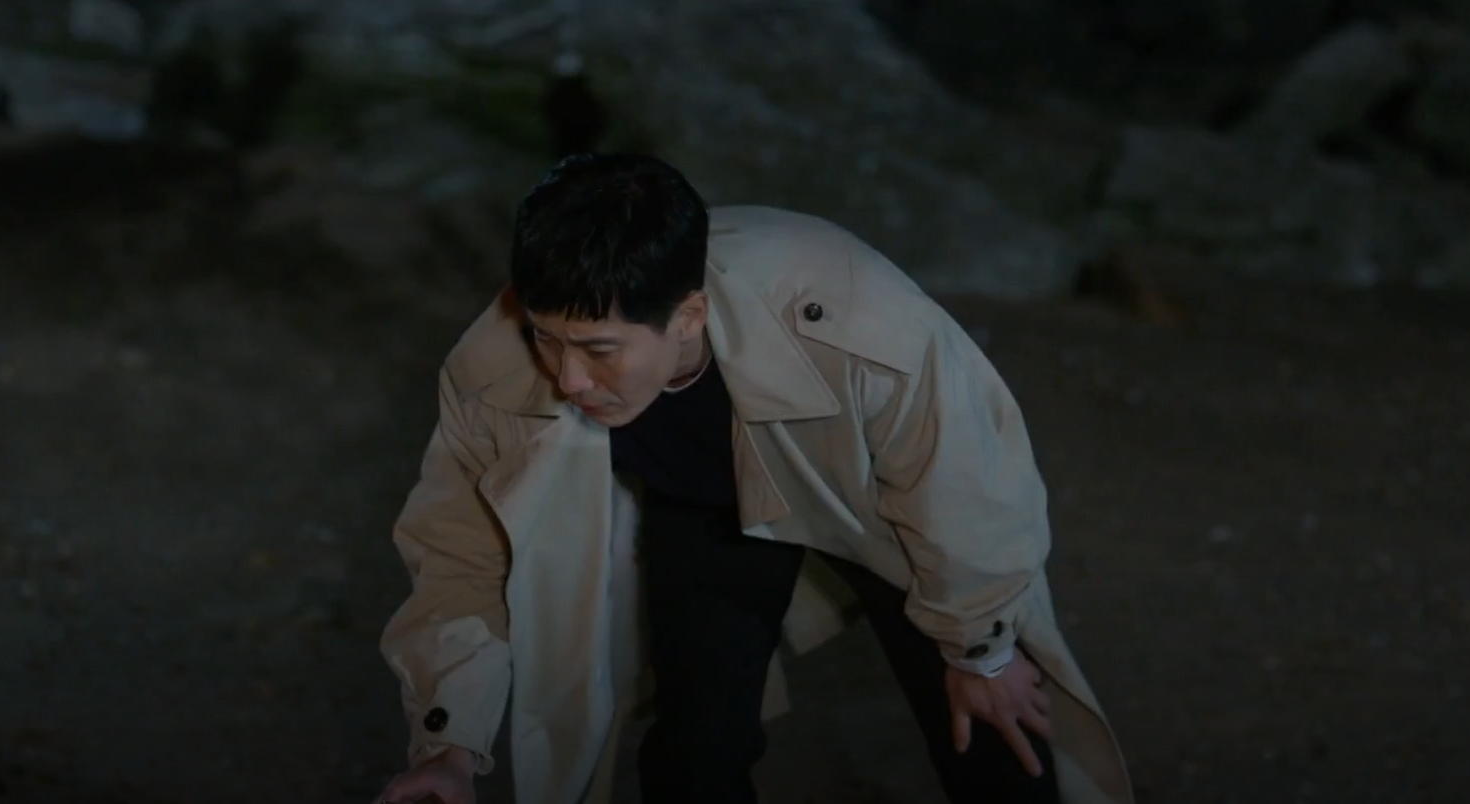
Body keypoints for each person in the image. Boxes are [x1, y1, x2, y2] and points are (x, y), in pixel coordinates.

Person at [372, 153, 1134, 804]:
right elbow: (460, 555)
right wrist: (448, 746)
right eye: (547, 338)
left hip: (877, 503)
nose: (568, 379)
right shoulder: (494, 374)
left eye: (600, 350)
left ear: (687, 317)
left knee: (991, 722)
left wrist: (981, 652)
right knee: (693, 753)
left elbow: (968, 485)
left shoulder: (859, 327)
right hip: (702, 509)